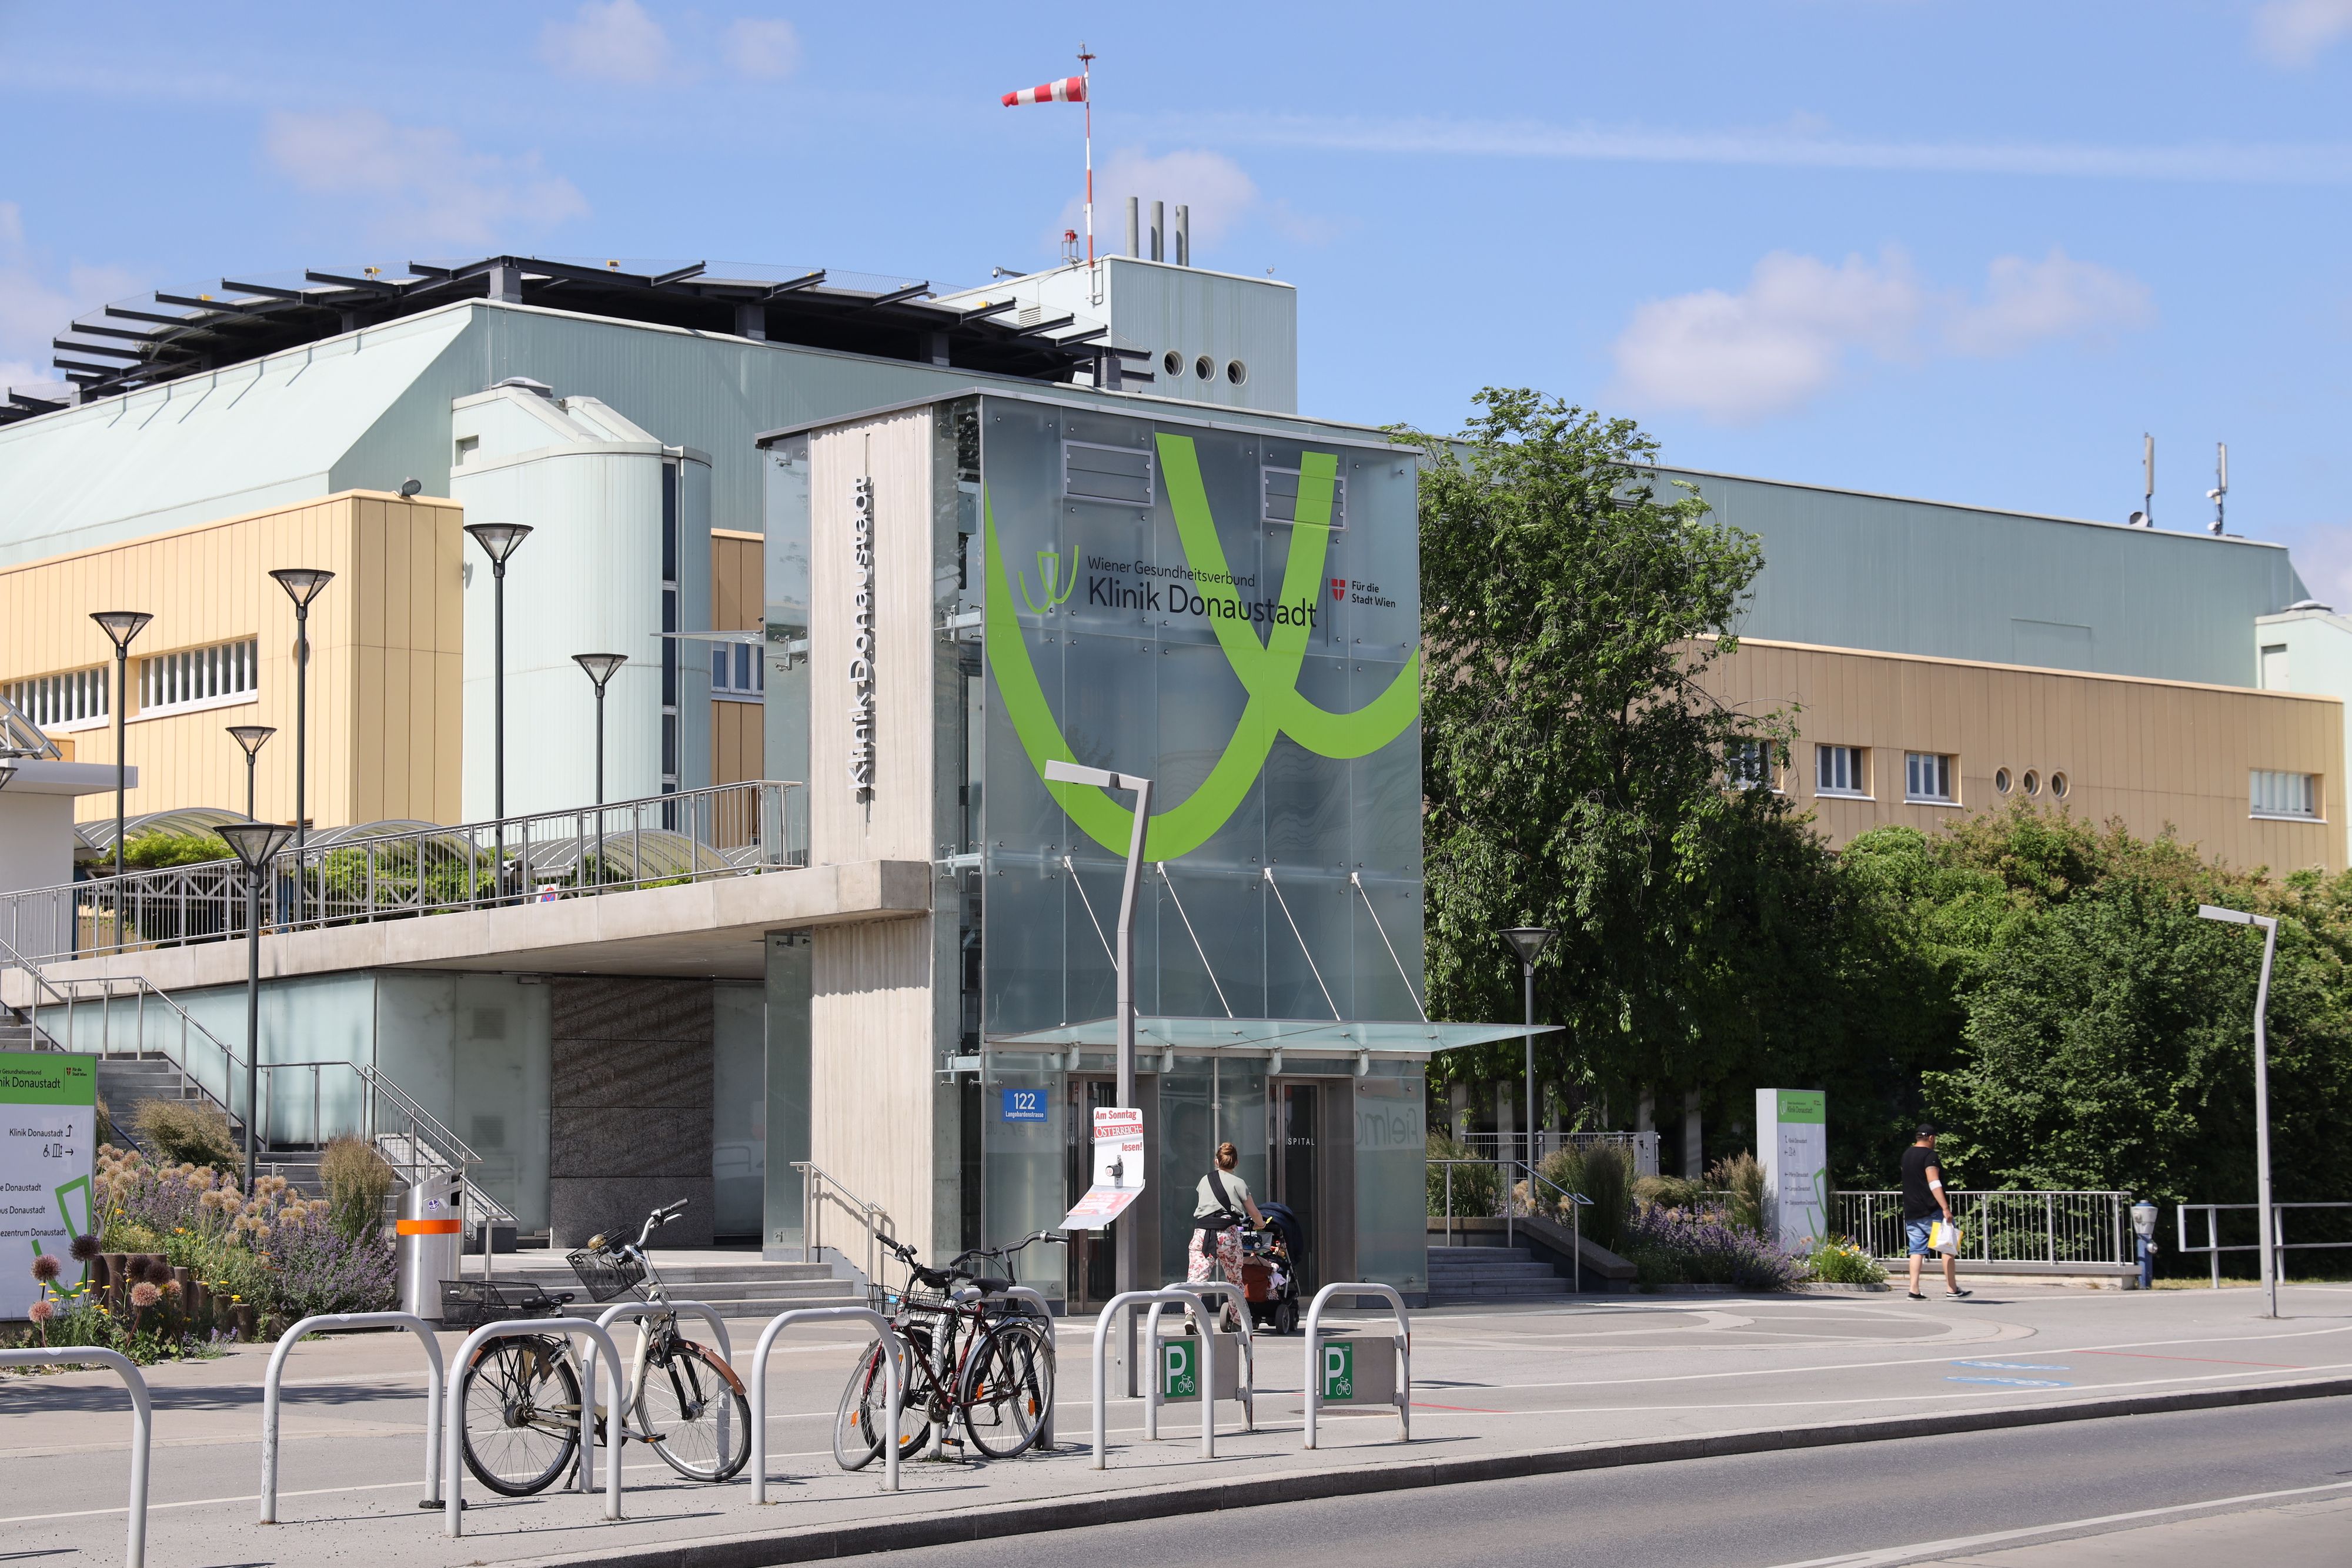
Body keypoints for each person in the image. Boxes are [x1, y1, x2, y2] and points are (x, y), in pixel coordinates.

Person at [1187, 1141, 1262, 1332]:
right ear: (1236, 1163)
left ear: (1216, 1161)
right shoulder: (1240, 1183)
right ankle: (1237, 1321)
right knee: (1234, 1279)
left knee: (1197, 1279)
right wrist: (1261, 1224)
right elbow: (1254, 1213)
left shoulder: (1205, 1180)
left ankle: (1191, 1315)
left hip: (1203, 1234)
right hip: (1227, 1234)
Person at [1902, 1123, 1970, 1300]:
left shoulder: (1907, 1154)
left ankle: (1914, 1290)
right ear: (1932, 1138)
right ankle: (1952, 1289)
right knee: (1947, 1247)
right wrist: (1945, 1209)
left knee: (1916, 1250)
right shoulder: (1930, 1156)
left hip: (1911, 1210)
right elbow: (1934, 1182)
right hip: (1932, 1210)